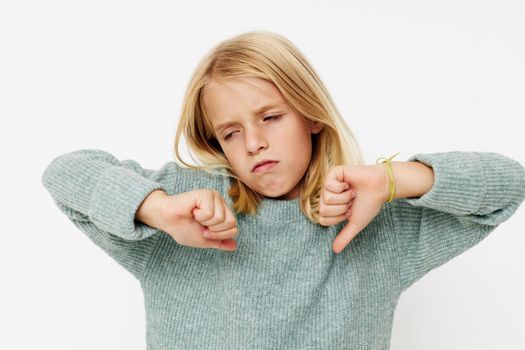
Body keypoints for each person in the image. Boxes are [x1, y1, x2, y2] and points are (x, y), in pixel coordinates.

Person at [41, 31, 525, 350]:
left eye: (271, 117)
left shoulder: (375, 223)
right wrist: (155, 209)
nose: (253, 143)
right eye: (230, 133)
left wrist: (392, 178)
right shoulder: (184, 214)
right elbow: (66, 173)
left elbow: (509, 185)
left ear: (312, 114)